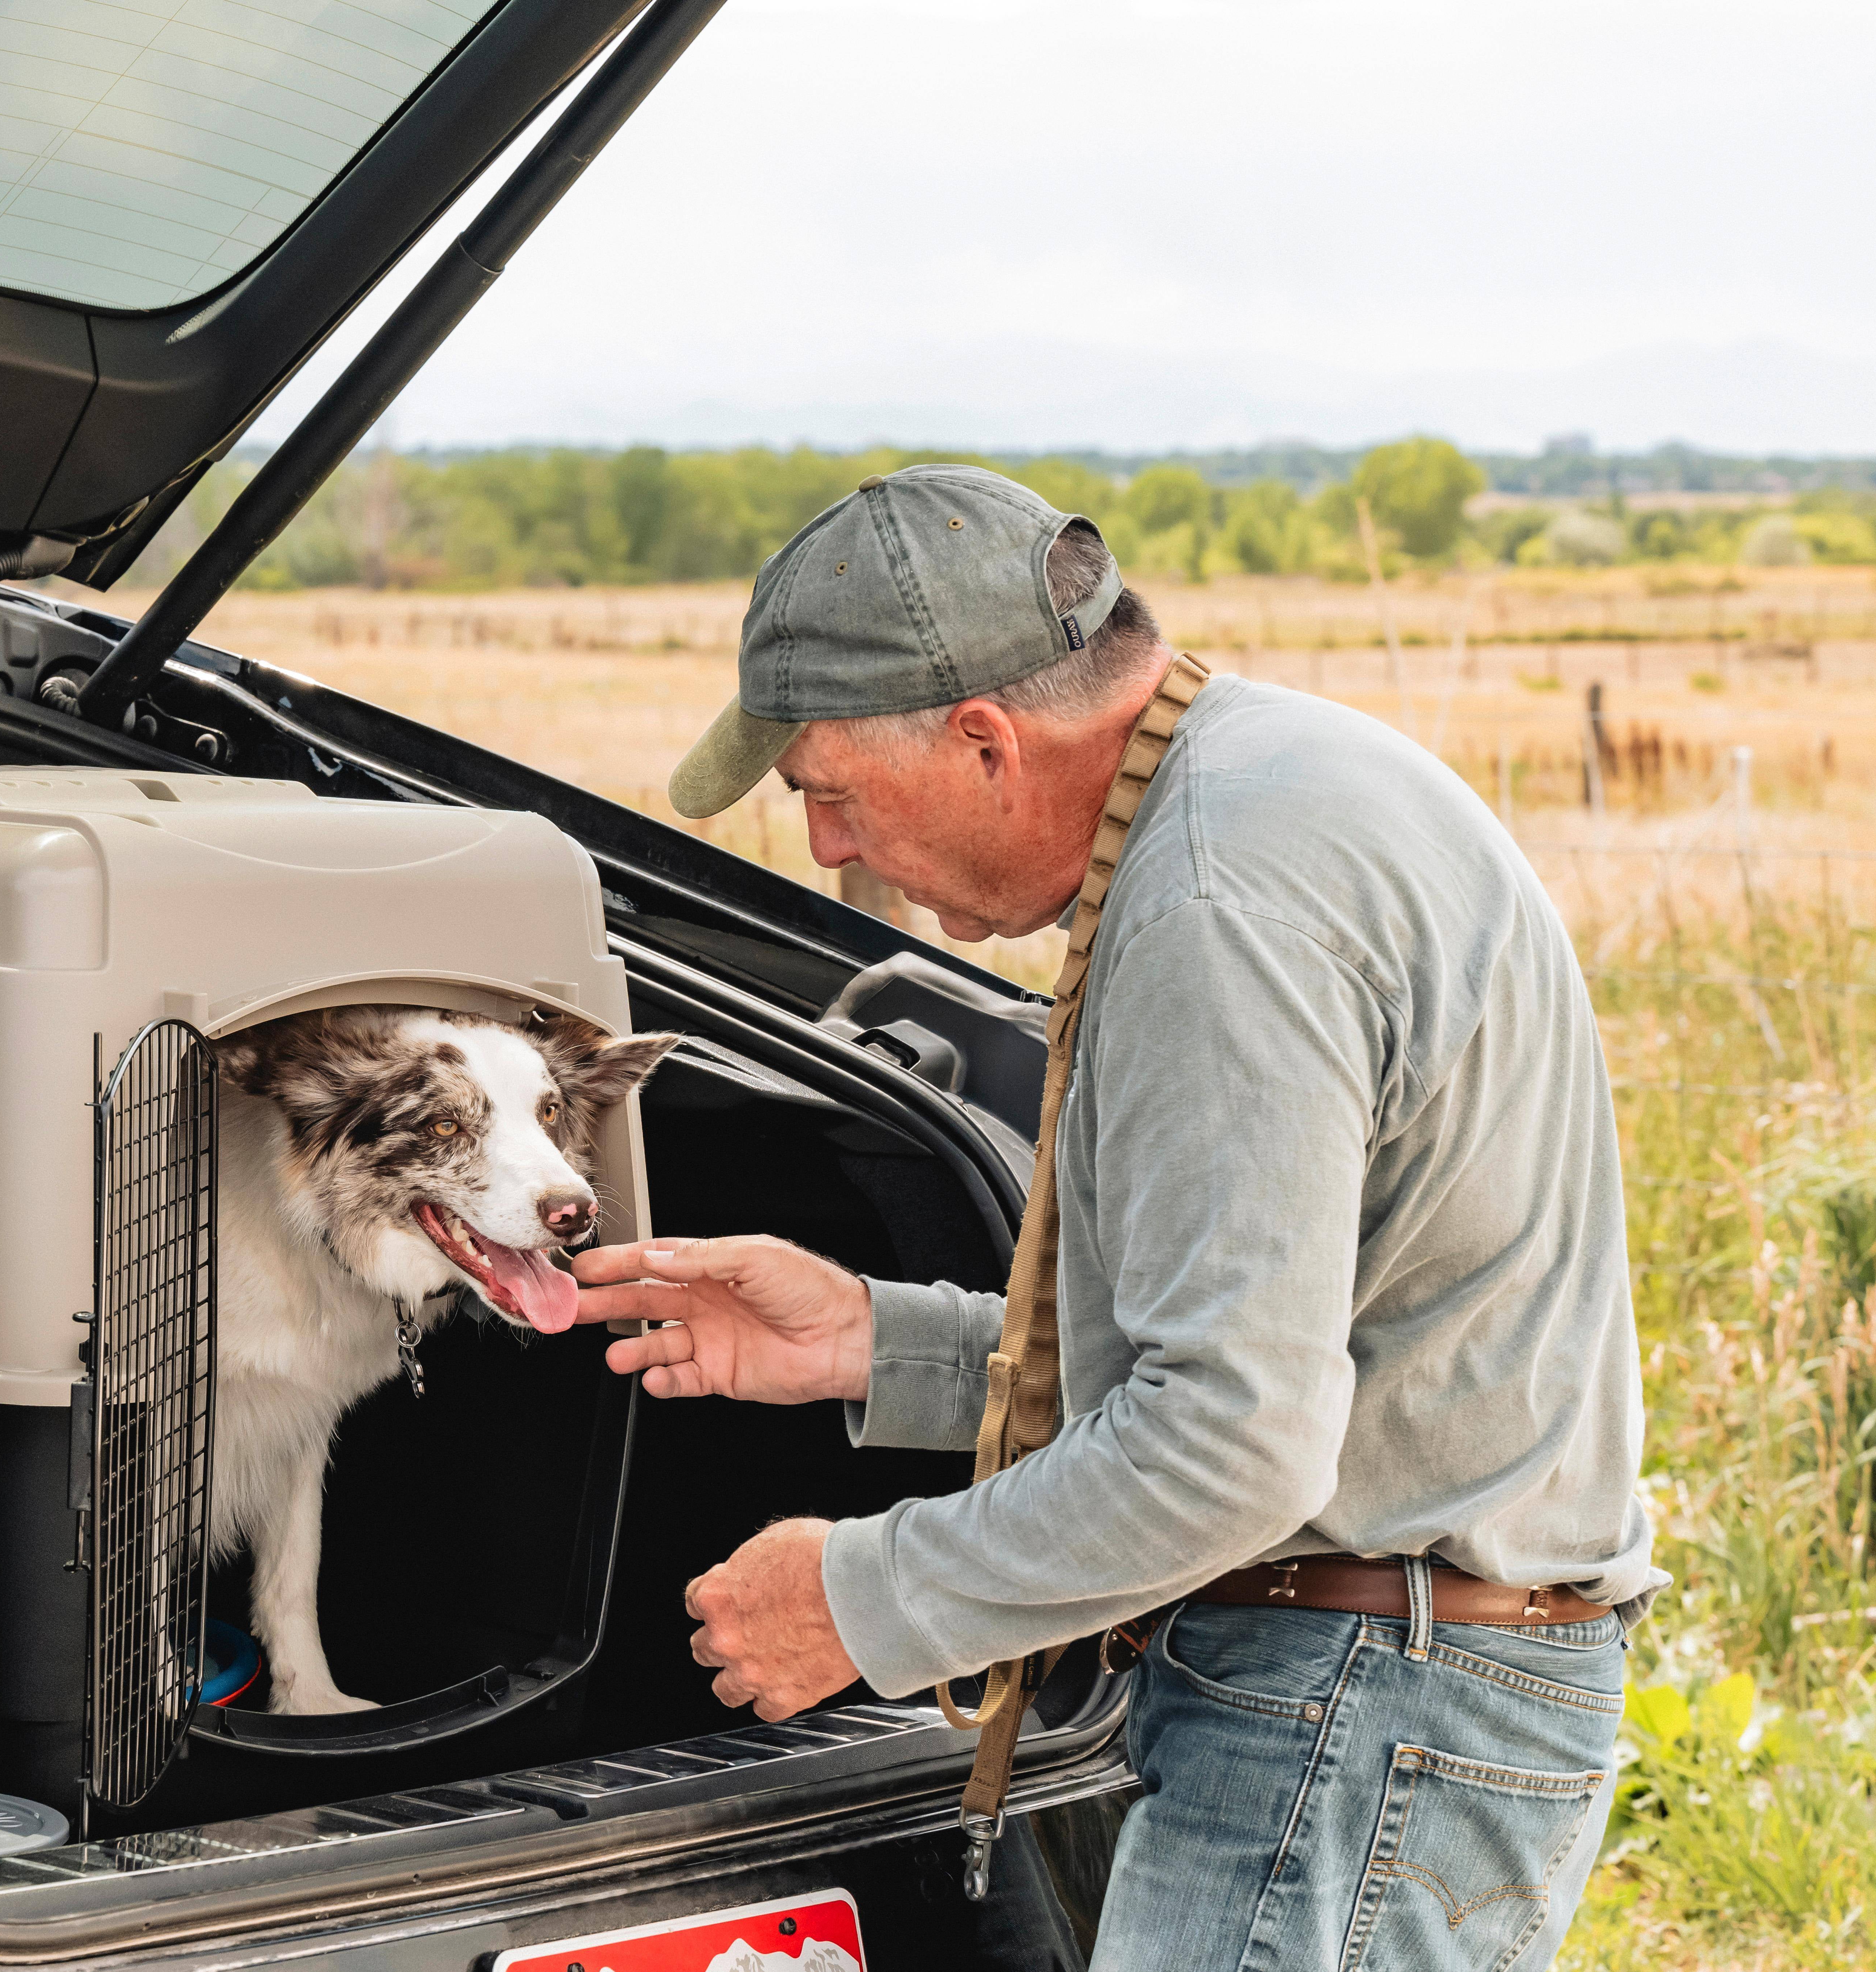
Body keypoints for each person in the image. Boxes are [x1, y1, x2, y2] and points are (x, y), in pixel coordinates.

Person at [570, 464, 1660, 1971]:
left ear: (981, 740)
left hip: (1356, 1711)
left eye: (826, 791)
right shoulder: (1268, 782)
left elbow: (1230, 1441)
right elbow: (1269, 1360)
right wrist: (867, 1343)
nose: (822, 849)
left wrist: (864, 1597)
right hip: (1400, 1686)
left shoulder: (1217, 896)